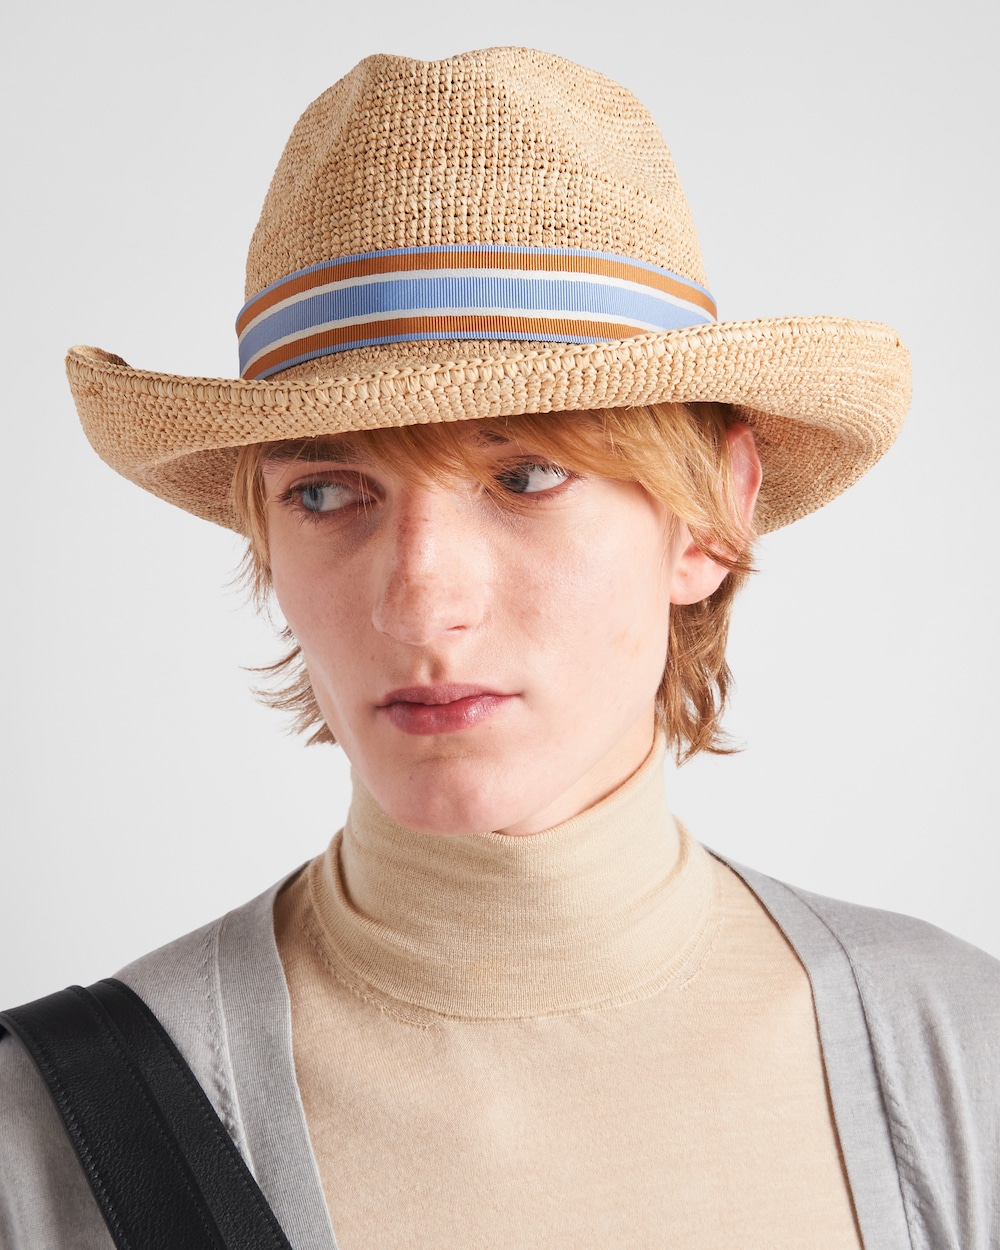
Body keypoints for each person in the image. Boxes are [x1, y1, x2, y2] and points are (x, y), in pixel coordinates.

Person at [1, 46, 997, 1250]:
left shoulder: (960, 1058)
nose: (420, 604)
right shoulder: (48, 1131)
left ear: (712, 517)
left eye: (525, 475)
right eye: (327, 492)